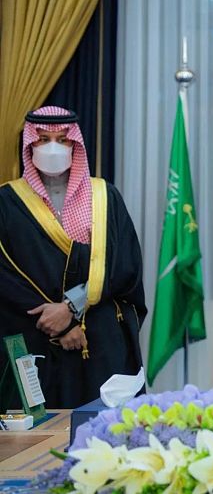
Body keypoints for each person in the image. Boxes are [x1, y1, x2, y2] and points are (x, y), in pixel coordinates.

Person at [0, 106, 147, 408]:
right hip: (33, 335)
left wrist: (70, 308)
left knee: (102, 427)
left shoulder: (105, 197)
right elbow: (4, 275)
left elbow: (123, 266)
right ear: (29, 144)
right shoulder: (6, 201)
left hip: (98, 338)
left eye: (62, 139)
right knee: (35, 430)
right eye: (43, 139)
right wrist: (58, 322)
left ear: (75, 144)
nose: (52, 147)